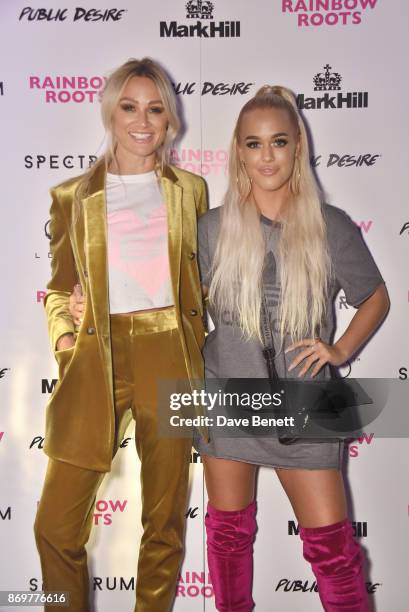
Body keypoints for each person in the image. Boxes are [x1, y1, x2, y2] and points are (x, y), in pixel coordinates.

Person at [194, 85, 389, 611]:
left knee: (333, 553)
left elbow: (374, 296)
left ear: (297, 146)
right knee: (228, 541)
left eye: (278, 141)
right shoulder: (210, 230)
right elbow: (174, 306)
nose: (266, 156)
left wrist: (339, 348)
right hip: (229, 400)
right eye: (253, 144)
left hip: (308, 406)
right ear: (238, 151)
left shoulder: (332, 228)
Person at [34, 57, 208, 612]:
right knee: (55, 526)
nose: (142, 120)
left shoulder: (191, 191)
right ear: (110, 113)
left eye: (155, 108)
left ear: (169, 121)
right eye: (130, 106)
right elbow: (59, 289)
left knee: (164, 521)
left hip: (170, 354)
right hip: (97, 355)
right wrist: (66, 340)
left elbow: (202, 278)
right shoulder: (71, 197)